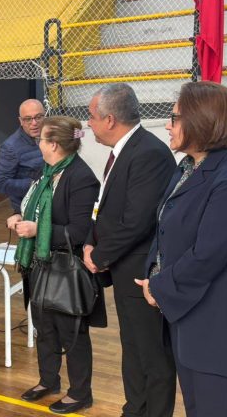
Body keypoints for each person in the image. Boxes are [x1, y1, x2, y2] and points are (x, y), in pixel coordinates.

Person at [136, 82, 227, 417]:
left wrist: (159, 287)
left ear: (202, 120)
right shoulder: (188, 168)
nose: (167, 125)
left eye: (174, 118)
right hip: (189, 314)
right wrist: (153, 272)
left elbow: (207, 254)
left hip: (223, 321)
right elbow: (164, 227)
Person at [82, 83, 177, 417]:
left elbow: (137, 221)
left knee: (152, 354)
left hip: (141, 272)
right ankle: (134, 409)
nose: (88, 123)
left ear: (109, 119)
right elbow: (106, 207)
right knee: (133, 348)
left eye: (91, 116)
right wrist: (92, 241)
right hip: (124, 269)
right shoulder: (125, 150)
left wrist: (99, 256)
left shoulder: (148, 153)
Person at [7, 116, 104, 414]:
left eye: (41, 139)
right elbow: (32, 206)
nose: (37, 142)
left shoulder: (81, 177)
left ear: (54, 145)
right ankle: (48, 380)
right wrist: (19, 216)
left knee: (71, 332)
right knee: (44, 327)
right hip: (40, 263)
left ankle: (80, 393)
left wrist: (38, 230)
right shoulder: (46, 171)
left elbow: (80, 231)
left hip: (66, 266)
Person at [0, 99, 45, 213]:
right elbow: (1, 183)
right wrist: (34, 184)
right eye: (28, 119)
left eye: (38, 117)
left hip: (51, 205)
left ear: (44, 116)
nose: (34, 123)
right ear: (21, 121)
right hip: (29, 209)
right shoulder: (10, 146)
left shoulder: (51, 136)